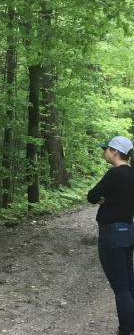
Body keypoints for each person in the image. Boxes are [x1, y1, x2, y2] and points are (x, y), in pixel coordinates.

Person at [88, 135, 134, 335]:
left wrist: (104, 201)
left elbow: (92, 196)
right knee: (129, 282)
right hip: (128, 232)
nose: (103, 152)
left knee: (120, 287)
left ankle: (125, 330)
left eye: (105, 149)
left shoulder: (113, 174)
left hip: (111, 235)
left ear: (115, 152)